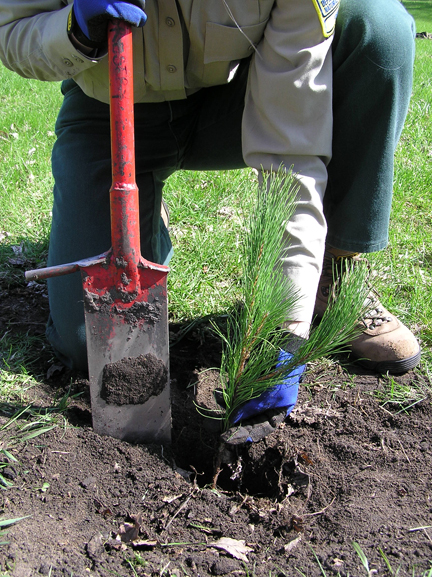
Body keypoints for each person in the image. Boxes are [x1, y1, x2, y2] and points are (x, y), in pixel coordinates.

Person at [0, 0, 420, 443]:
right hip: (112, 107)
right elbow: (10, 33)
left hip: (238, 97)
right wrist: (75, 28)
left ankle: (335, 271)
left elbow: (292, 152)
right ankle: (141, 221)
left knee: (381, 29)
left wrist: (287, 330)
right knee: (85, 342)